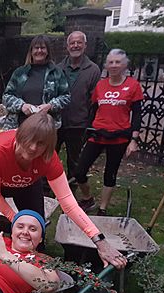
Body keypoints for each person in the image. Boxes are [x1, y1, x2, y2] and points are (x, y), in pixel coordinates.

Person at [0, 112, 127, 269]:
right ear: (20, 135)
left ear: (49, 146)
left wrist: (99, 240)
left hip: (28, 184)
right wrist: (15, 219)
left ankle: (34, 275)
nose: (33, 147)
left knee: (36, 233)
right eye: (29, 140)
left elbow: (68, 202)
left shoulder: (49, 159)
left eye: (40, 144)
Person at [76, 49, 143, 215]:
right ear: (106, 65)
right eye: (111, 62)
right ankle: (87, 198)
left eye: (117, 62)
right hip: (97, 134)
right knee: (79, 171)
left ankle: (102, 208)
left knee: (110, 174)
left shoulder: (133, 86)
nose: (113, 65)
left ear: (124, 65)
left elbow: (137, 115)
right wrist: (89, 128)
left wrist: (134, 140)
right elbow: (93, 109)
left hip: (118, 137)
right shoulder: (100, 85)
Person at [57, 31, 101, 185]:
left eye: (79, 42)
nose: (75, 45)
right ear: (67, 46)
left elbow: (94, 101)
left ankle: (71, 189)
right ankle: (46, 187)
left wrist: (90, 124)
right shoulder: (58, 68)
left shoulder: (93, 70)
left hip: (78, 124)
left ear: (85, 46)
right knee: (50, 157)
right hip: (57, 122)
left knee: (74, 160)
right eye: (72, 43)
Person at [2, 35, 71, 130]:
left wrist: (50, 106)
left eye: (43, 48)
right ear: (31, 51)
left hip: (46, 128)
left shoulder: (56, 73)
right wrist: (21, 106)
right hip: (19, 126)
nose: (39, 51)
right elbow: (6, 97)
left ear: (48, 51)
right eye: (36, 48)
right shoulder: (20, 73)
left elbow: (66, 97)